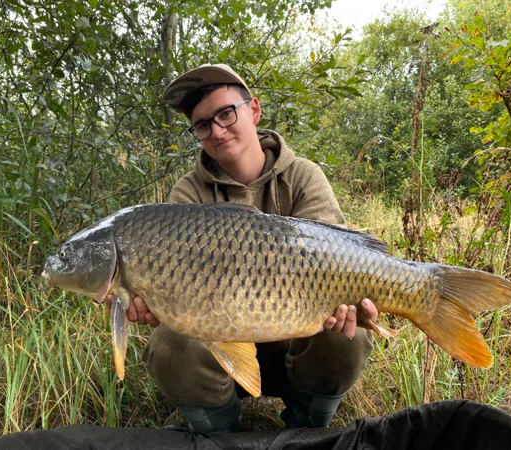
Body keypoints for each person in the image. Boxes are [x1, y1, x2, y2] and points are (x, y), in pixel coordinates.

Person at [106, 63, 379, 433]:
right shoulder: (189, 193)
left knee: (350, 332)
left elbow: (336, 257)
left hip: (297, 350)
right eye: (203, 125)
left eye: (225, 114)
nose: (217, 131)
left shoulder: (303, 176)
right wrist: (148, 297)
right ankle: (219, 432)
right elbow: (167, 289)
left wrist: (359, 298)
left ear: (253, 110)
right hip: (220, 355)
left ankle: (306, 429)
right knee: (170, 342)